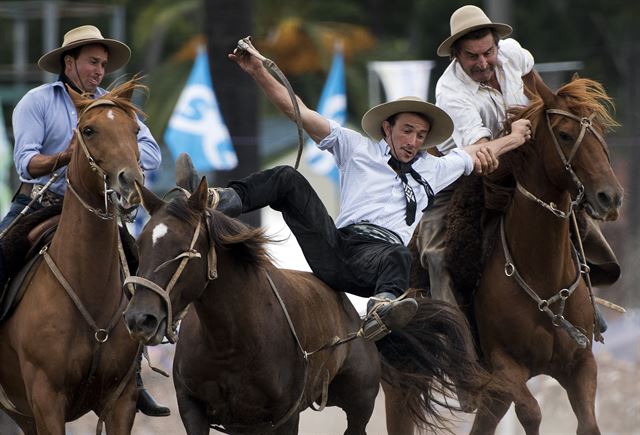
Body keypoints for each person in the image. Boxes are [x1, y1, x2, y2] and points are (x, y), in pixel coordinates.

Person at [209, 40, 530, 340]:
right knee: (285, 177)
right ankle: (221, 199)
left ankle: (381, 310)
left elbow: (473, 154)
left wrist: (515, 137)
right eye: (407, 131)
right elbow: (299, 112)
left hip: (378, 265)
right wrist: (258, 72)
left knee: (399, 254)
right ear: (387, 128)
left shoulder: (433, 169)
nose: (413, 141)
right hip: (336, 247)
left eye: (421, 135)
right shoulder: (356, 147)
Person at [414, 4, 616, 334]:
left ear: (496, 45)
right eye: (472, 57)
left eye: (487, 52)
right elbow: (483, 155)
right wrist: (518, 136)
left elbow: (536, 86)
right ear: (456, 55)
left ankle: (587, 297)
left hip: (521, 154)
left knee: (567, 202)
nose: (482, 63)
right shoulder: (449, 92)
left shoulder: (512, 52)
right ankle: (455, 334)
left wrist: (561, 116)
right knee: (435, 250)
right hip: (464, 170)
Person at [0, 25, 169, 417]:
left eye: (103, 64)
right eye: (93, 62)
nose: (99, 71)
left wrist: (122, 151)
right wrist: (68, 155)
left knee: (143, 272)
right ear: (69, 62)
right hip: (40, 203)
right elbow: (26, 162)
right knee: (2, 254)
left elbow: (151, 152)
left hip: (96, 209)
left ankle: (134, 376)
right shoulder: (36, 101)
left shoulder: (112, 109)